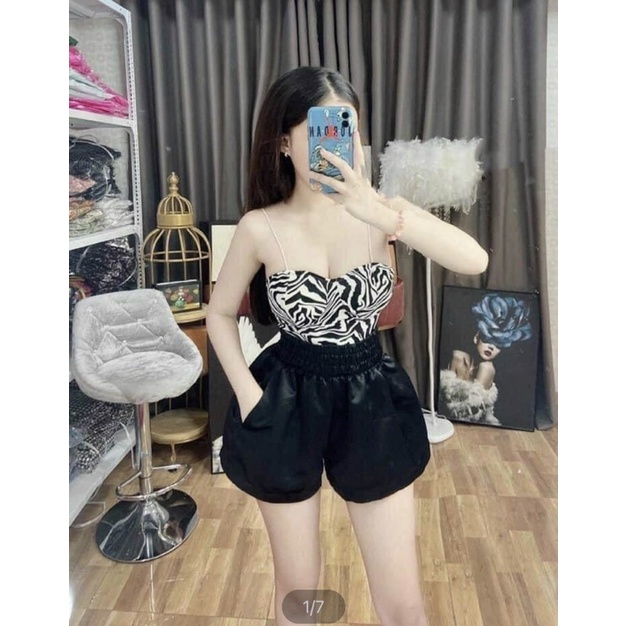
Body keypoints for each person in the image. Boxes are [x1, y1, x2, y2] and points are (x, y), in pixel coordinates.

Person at [206, 66, 488, 626]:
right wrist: (248, 396)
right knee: (298, 591)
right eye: (320, 129)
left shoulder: (384, 214)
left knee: (402, 599)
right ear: (284, 143)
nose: (336, 144)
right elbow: (218, 313)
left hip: (370, 395)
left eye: (347, 130)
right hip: (285, 399)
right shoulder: (261, 226)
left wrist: (380, 212)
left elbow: (474, 260)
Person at [440, 292, 533, 426]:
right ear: (476, 337)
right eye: (488, 339)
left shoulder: (487, 368)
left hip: (476, 426)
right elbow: (443, 399)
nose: (491, 347)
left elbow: (471, 413)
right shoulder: (458, 357)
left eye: (499, 344)